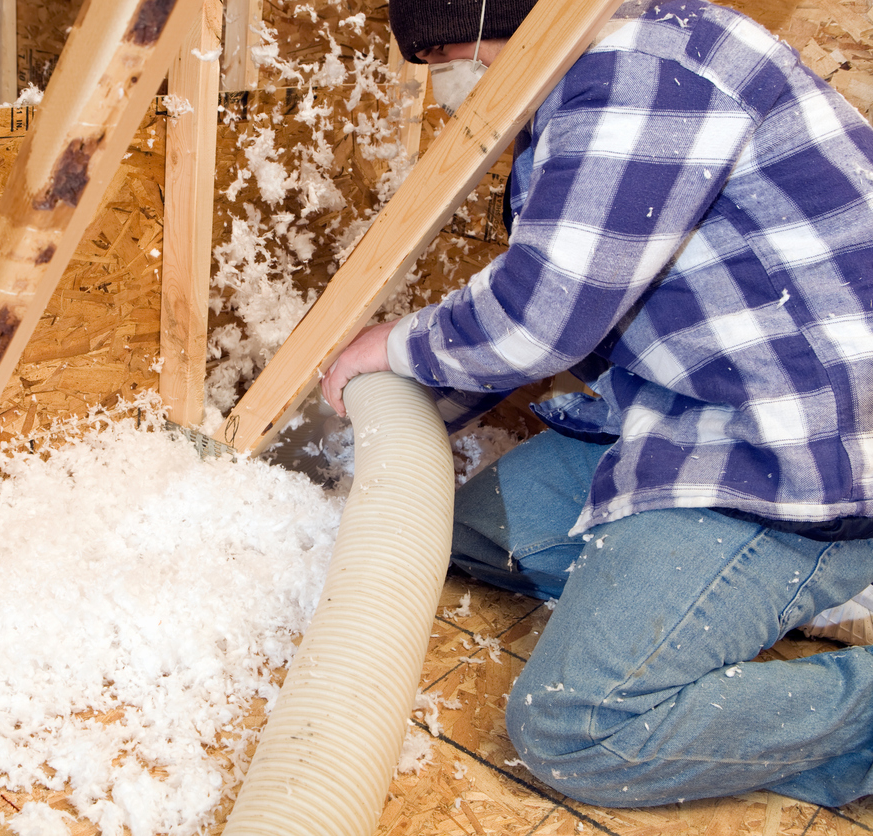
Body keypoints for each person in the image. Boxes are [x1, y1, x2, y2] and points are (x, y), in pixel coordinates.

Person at [320, 0, 873, 809]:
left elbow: (540, 317)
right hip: (688, 416)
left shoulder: (644, 73)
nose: (445, 78)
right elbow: (575, 310)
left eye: (445, 52)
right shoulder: (588, 77)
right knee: (463, 531)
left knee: (580, 731)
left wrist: (393, 345)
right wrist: (409, 411)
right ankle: (717, 602)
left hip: (799, 456)